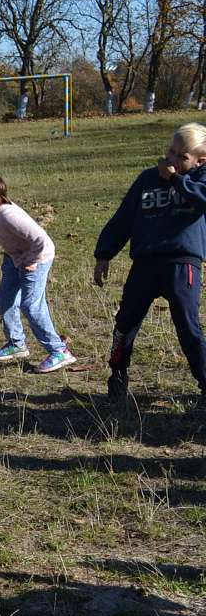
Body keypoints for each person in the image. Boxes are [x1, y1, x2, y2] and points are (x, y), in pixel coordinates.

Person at [95, 123, 206, 407]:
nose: (172, 159)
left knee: (188, 327)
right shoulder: (147, 180)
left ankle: (204, 383)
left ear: (199, 161)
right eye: (171, 151)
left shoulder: (199, 181)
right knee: (125, 323)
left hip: (182, 265)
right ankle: (117, 373)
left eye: (183, 157)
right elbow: (123, 218)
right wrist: (104, 253)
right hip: (144, 264)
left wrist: (176, 180)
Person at [0, 174, 75, 373]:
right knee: (6, 298)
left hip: (36, 258)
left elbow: (41, 241)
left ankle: (60, 351)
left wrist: (30, 262)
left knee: (31, 305)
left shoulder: (8, 215)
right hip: (15, 256)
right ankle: (16, 344)